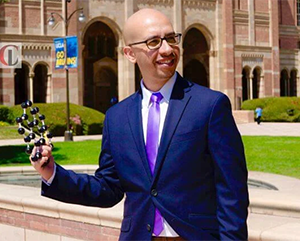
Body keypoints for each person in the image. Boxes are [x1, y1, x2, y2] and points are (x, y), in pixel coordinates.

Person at [30, 8, 249, 241]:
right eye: (154, 42)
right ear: (130, 53)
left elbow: (232, 191)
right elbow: (108, 188)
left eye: (171, 39)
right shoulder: (116, 117)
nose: (167, 49)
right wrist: (53, 173)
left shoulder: (210, 105)